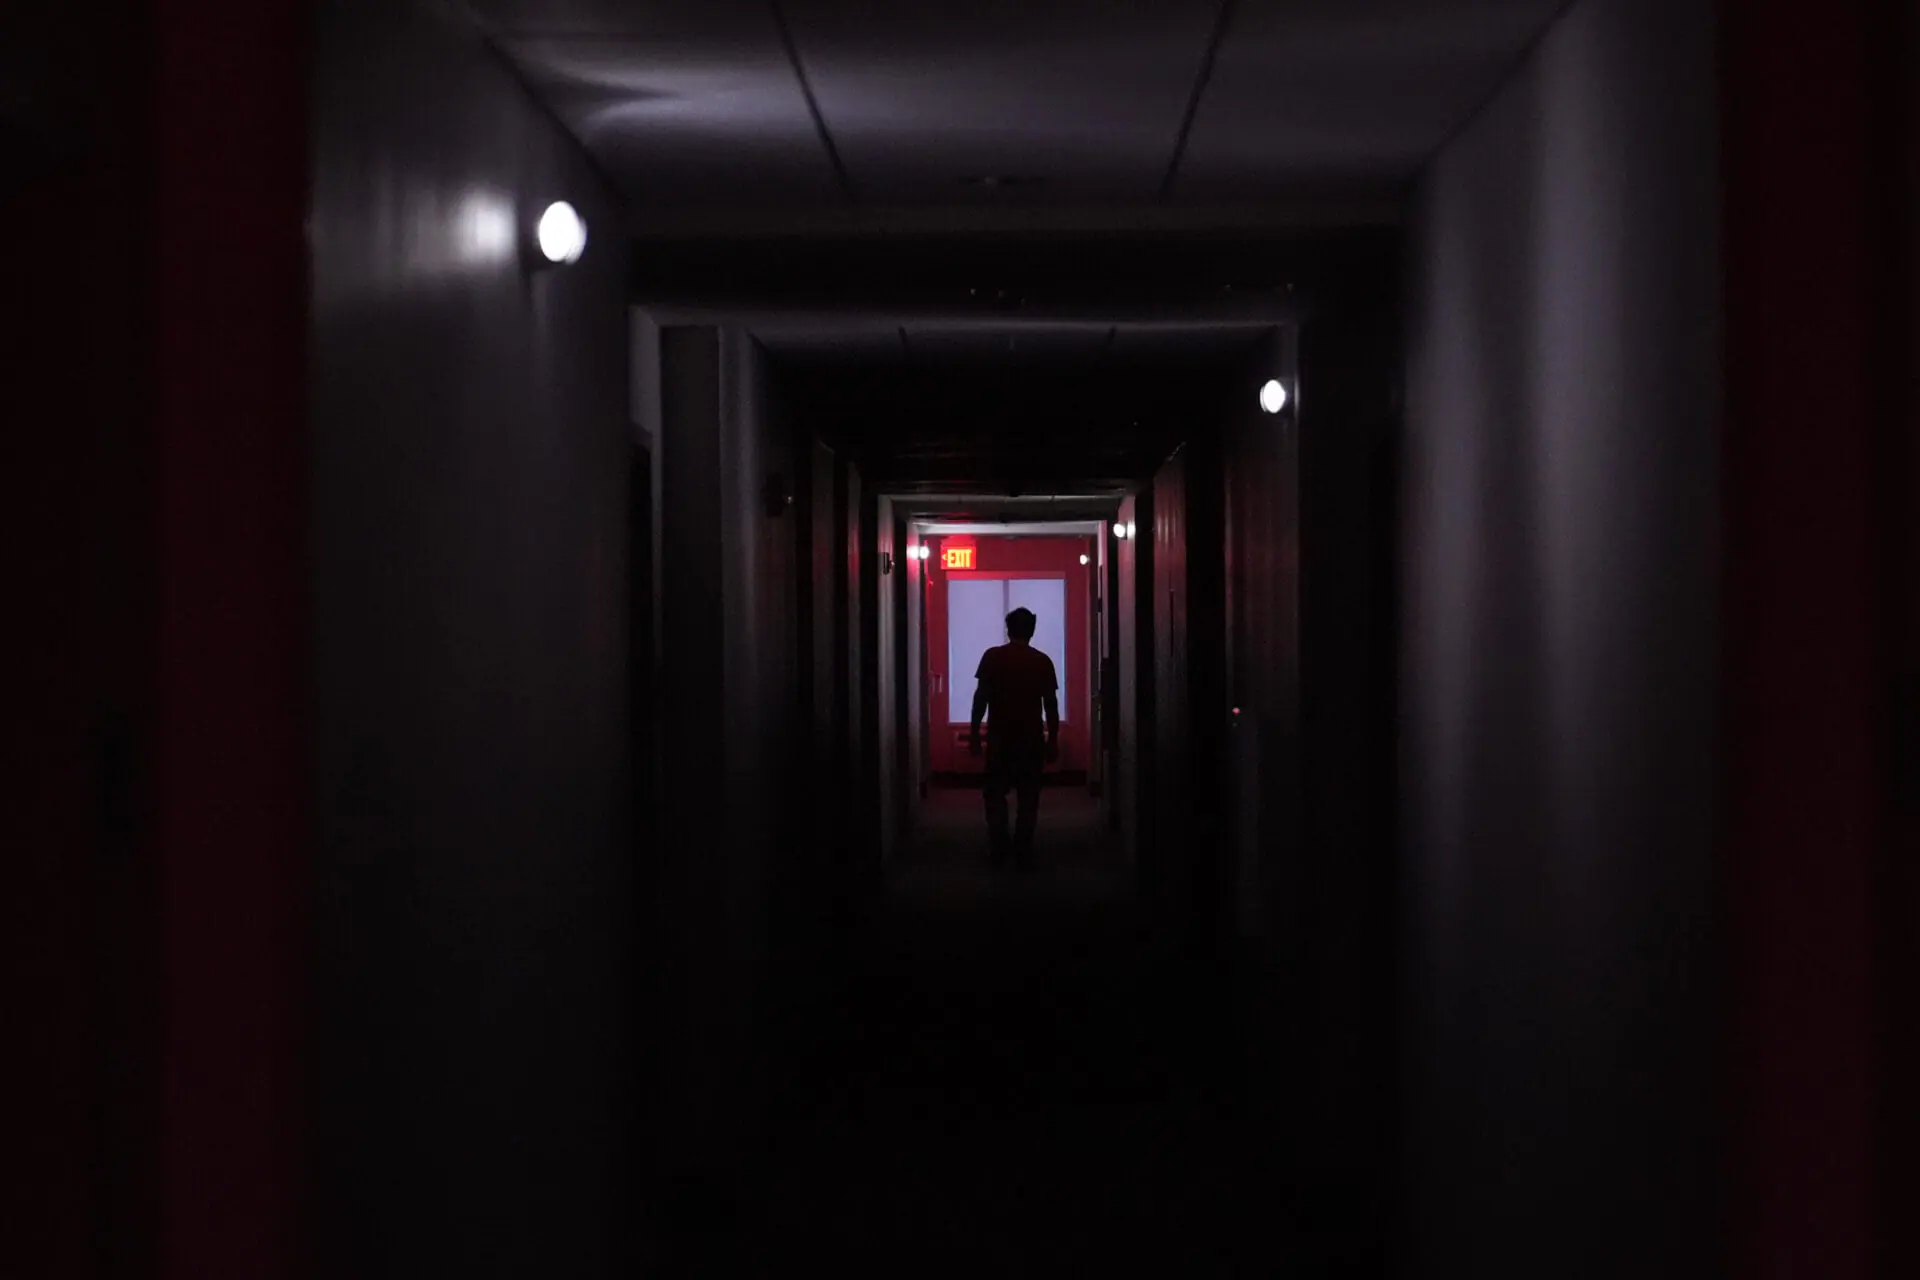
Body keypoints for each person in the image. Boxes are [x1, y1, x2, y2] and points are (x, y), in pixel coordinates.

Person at [968, 607, 1060, 869]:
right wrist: (1052, 739)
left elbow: (980, 699)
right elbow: (1051, 706)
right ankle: (1023, 847)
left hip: (1000, 738)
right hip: (1031, 739)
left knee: (995, 794)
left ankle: (999, 844)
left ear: (1009, 630)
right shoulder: (1043, 662)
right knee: (1028, 796)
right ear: (1032, 631)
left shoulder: (992, 658)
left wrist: (975, 733)